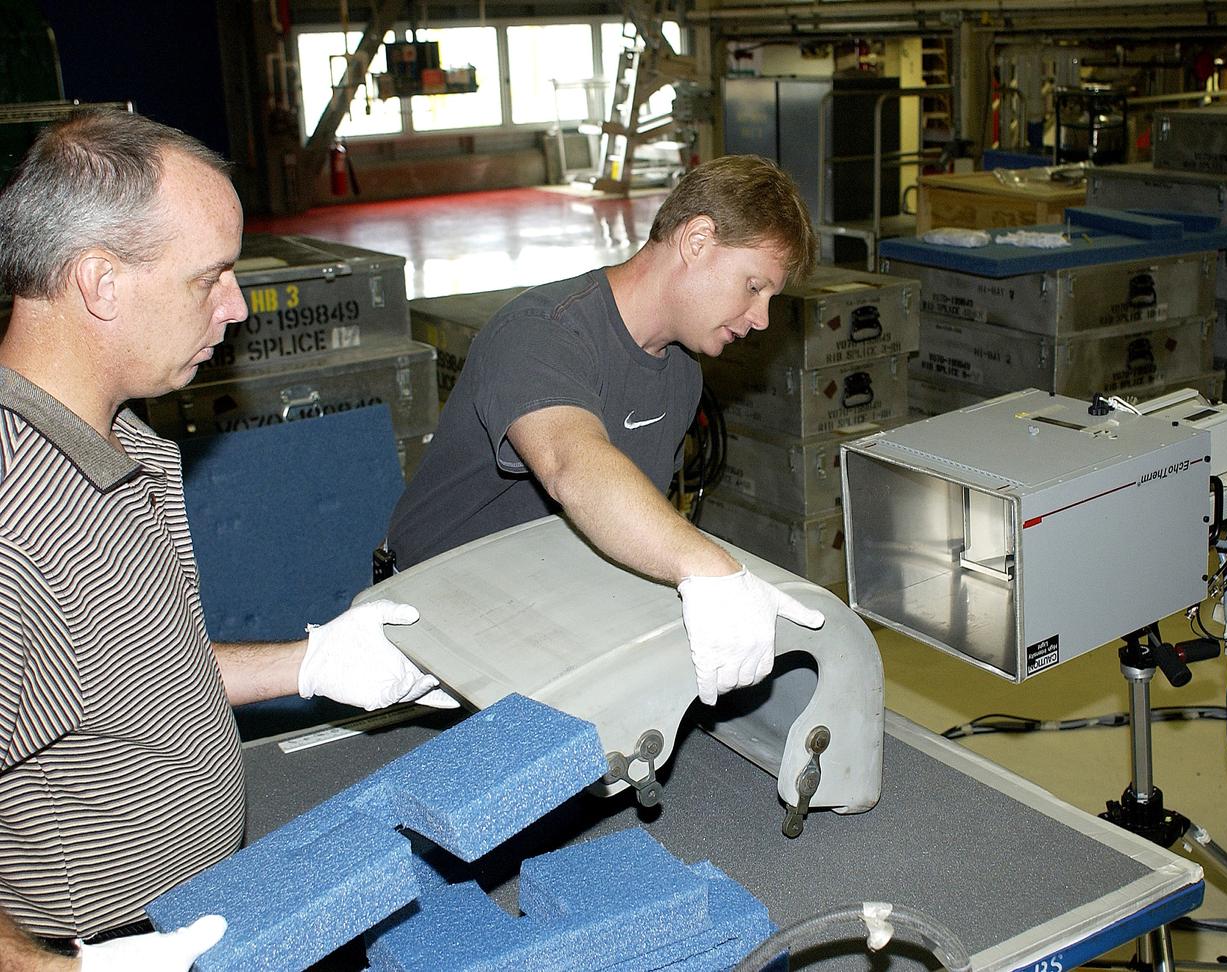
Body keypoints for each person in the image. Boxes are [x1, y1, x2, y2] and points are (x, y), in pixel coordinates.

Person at [0, 108, 453, 971]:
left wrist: (309, 663)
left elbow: (108, 675)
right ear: (100, 283)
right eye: (209, 278)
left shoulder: (115, 439)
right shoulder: (12, 513)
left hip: (200, 902)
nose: (237, 307)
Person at [385, 154, 826, 707]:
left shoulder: (681, 374)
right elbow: (573, 464)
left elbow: (627, 520)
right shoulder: (541, 333)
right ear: (696, 242)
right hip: (430, 625)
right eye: (753, 286)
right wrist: (711, 569)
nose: (761, 319)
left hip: (544, 610)